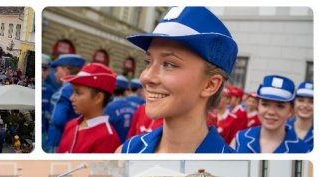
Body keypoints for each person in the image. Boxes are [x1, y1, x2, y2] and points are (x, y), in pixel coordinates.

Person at [120, 7, 237, 153]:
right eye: (148, 62)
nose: (146, 77)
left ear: (210, 85)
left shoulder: (229, 164)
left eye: (169, 64)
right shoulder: (127, 150)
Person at [233, 76, 309, 153]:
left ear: (291, 111)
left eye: (280, 106)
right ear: (258, 106)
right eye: (265, 104)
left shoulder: (302, 150)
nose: (271, 112)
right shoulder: (240, 139)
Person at [57, 63, 121, 153]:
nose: (71, 98)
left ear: (98, 97)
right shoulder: (71, 125)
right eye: (73, 92)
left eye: (78, 93)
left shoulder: (107, 137)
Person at [44, 54, 85, 151]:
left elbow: (58, 120)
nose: (55, 74)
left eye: (57, 70)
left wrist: (49, 117)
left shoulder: (64, 91)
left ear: (65, 71)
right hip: (74, 141)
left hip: (56, 141)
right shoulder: (84, 89)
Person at [289, 81, 313, 151]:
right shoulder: (281, 129)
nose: (305, 105)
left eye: (312, 102)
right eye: (301, 100)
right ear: (294, 103)